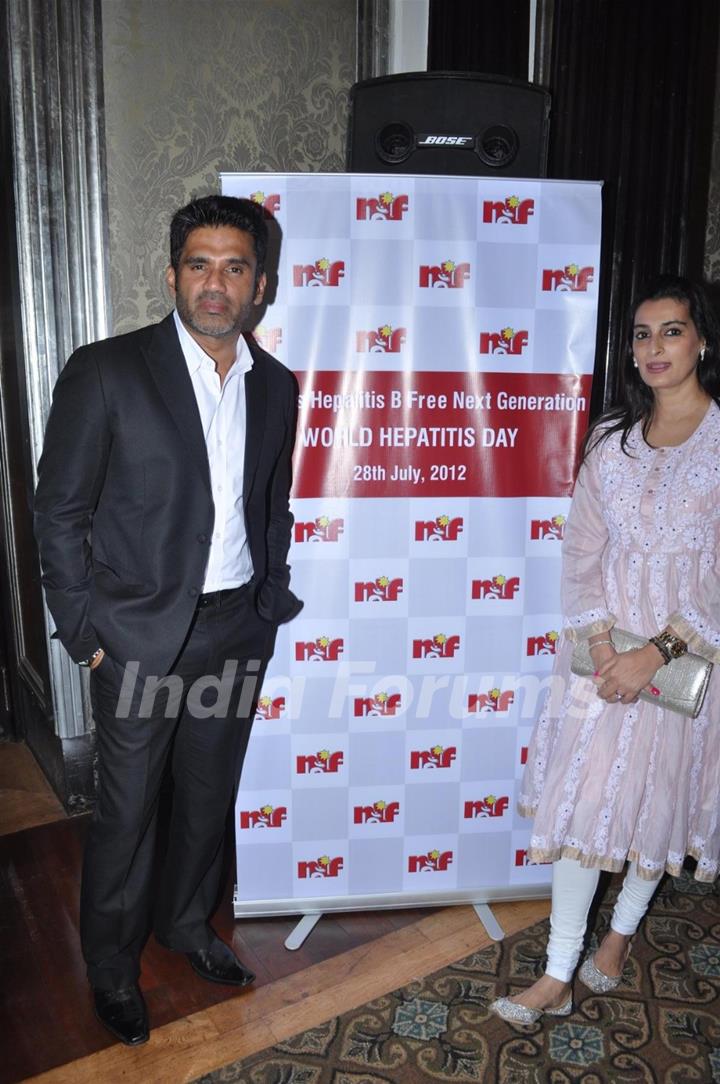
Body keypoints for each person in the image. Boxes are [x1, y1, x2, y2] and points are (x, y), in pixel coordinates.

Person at [34, 195, 302, 1046]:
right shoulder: (108, 370)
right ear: (171, 274)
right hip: (138, 637)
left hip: (233, 628)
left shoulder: (278, 386)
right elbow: (59, 512)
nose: (214, 284)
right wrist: (85, 632)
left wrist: (269, 595)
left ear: (259, 283)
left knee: (204, 800)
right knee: (128, 810)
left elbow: (272, 505)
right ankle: (111, 970)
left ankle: (188, 928)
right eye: (199, 264)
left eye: (233, 266)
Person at [489, 274, 720, 1025]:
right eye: (643, 334)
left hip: (689, 654)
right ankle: (557, 971)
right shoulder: (610, 440)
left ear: (702, 341)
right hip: (601, 653)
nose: (655, 348)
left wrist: (656, 652)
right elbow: (581, 548)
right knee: (585, 801)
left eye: (672, 331)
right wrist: (600, 644)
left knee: (658, 798)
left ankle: (618, 937)